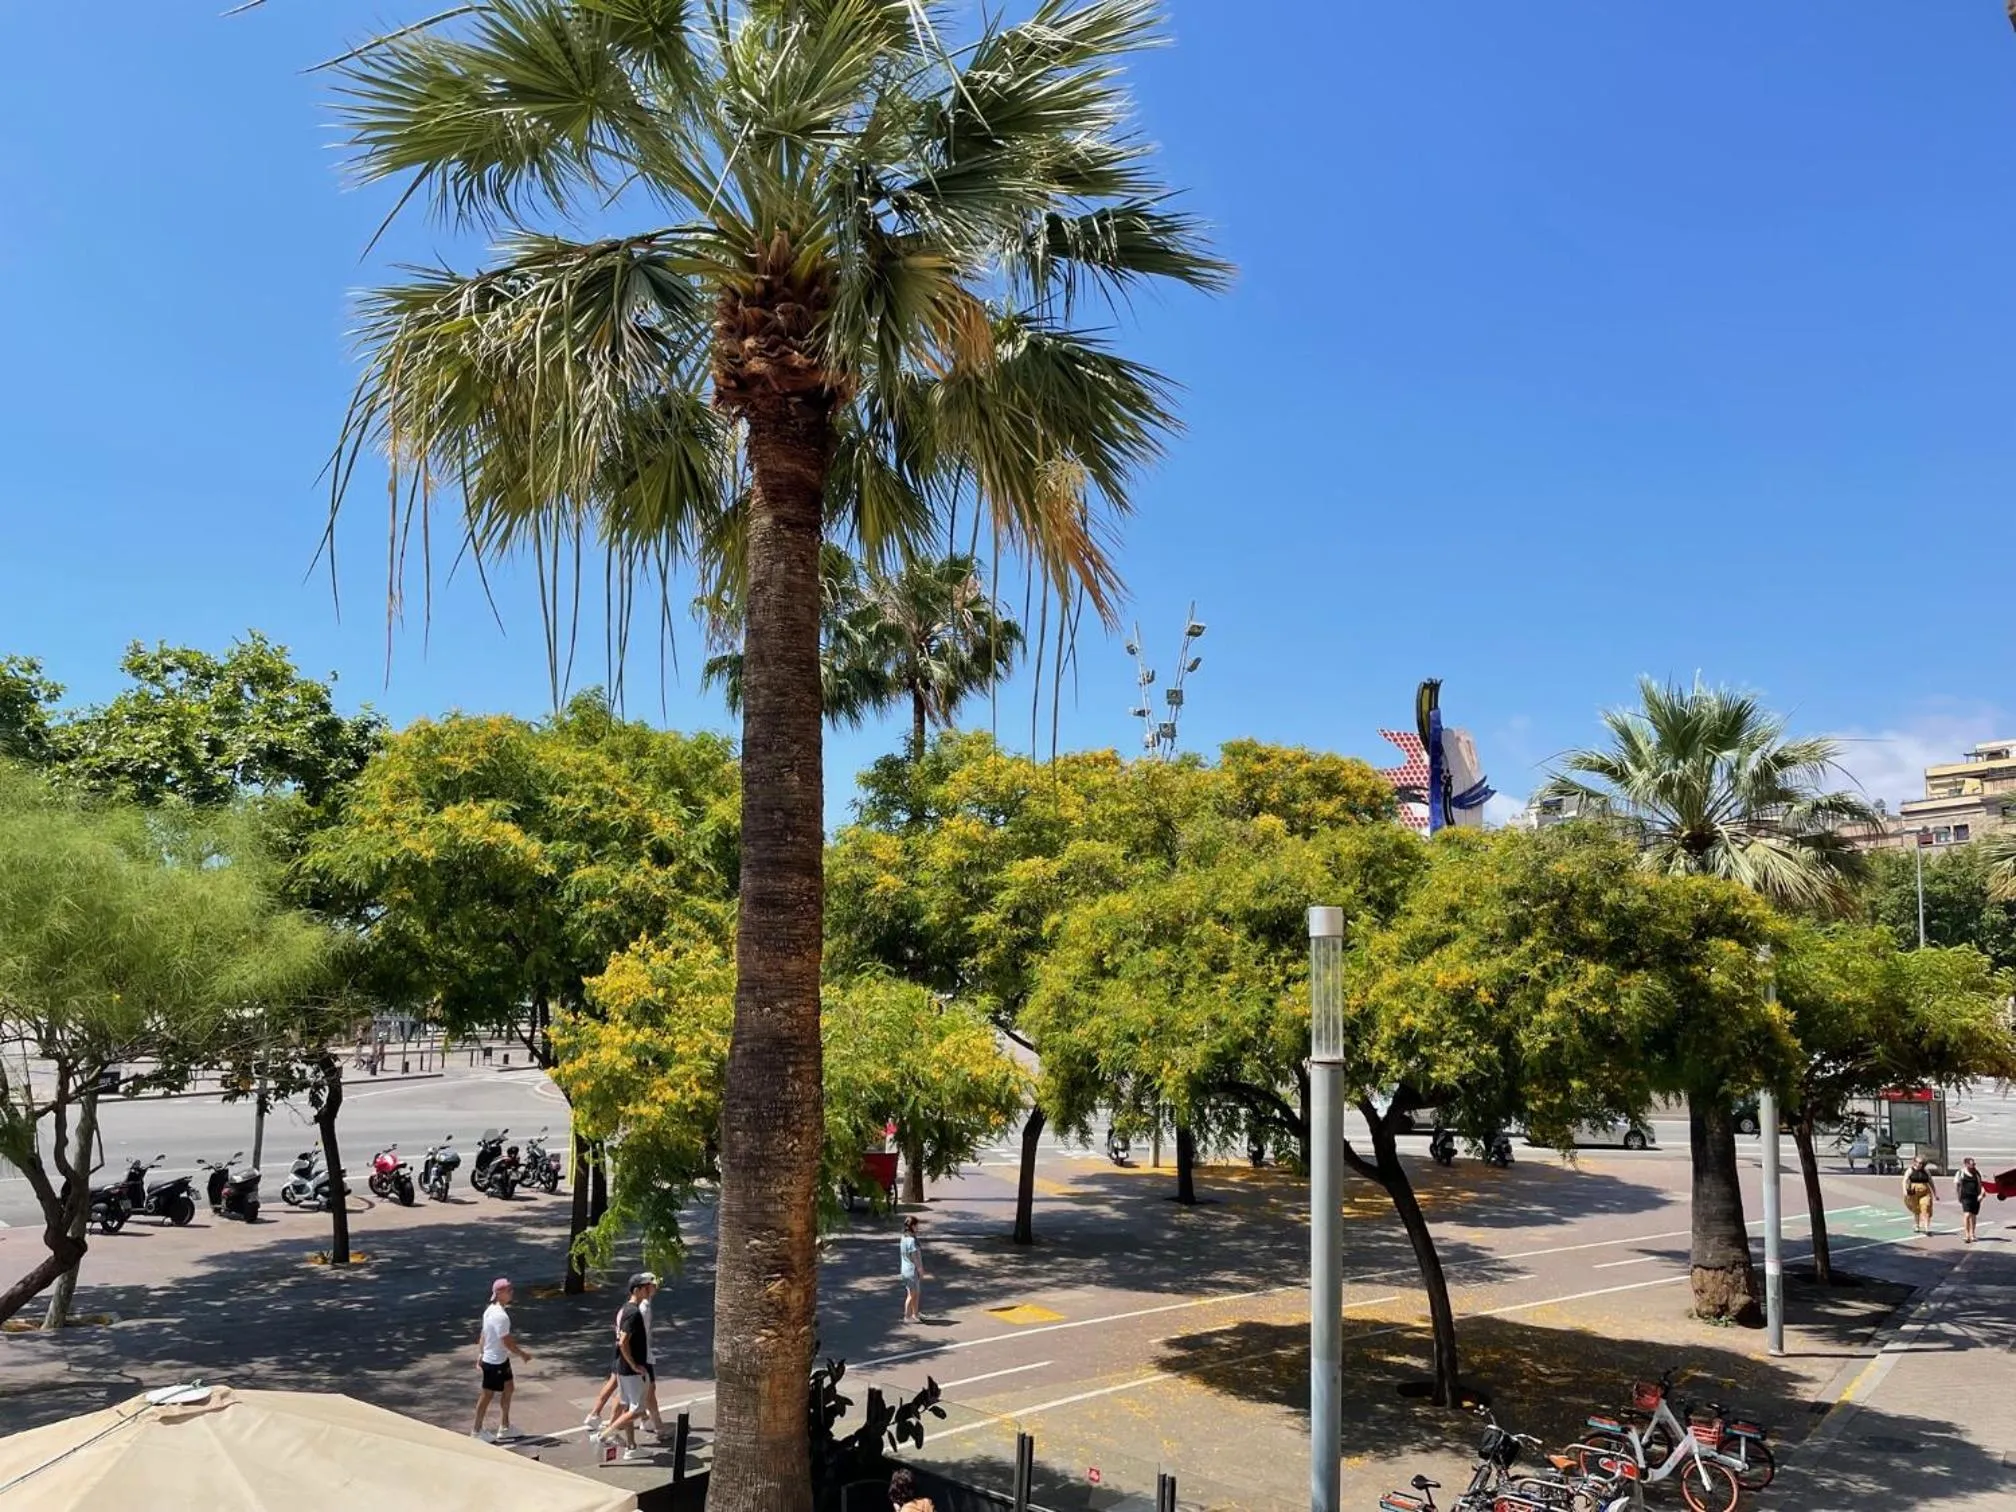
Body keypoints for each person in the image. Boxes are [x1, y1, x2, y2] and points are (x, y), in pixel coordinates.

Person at [596, 1273, 655, 1461]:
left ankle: (631, 1447)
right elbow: (623, 1342)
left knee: (629, 1406)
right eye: (646, 1287)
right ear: (636, 1290)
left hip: (622, 1368)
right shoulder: (633, 1313)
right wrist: (635, 1365)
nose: (650, 1290)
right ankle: (606, 1435)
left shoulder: (626, 1309)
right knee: (637, 1410)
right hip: (630, 1369)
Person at [474, 1277, 531, 1441]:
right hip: (494, 1362)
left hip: (499, 1360)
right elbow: (506, 1341)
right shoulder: (500, 1316)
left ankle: (505, 1427)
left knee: (509, 1388)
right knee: (487, 1396)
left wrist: (480, 1354)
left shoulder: (489, 1310)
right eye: (509, 1290)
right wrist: (523, 1354)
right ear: (499, 1293)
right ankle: (476, 1431)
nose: (512, 1293)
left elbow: (483, 1334)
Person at [1903, 1155, 1937, 1236]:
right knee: (1916, 1209)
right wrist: (1905, 1191)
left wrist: (1935, 1193)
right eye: (1917, 1162)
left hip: (1925, 1191)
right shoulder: (1910, 1170)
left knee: (1926, 1207)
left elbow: (1931, 1182)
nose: (1919, 1164)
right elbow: (1904, 1180)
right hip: (1914, 1191)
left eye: (1921, 1163)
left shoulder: (1926, 1171)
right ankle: (1917, 1225)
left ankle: (1927, 1228)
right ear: (1914, 1162)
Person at [899, 1216, 925, 1322]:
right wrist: (920, 1269)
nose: (918, 1228)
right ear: (912, 1226)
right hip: (911, 1270)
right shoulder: (911, 1241)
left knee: (916, 1292)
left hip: (905, 1270)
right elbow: (915, 1257)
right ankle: (907, 1316)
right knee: (912, 1294)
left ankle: (915, 1314)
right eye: (917, 1225)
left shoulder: (904, 1238)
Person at [1957, 1157, 1985, 1244]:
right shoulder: (1961, 1173)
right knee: (1967, 1214)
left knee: (1973, 1215)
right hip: (1965, 1197)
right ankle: (1967, 1235)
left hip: (1975, 1197)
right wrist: (1959, 1196)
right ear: (1966, 1164)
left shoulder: (1977, 1173)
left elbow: (1983, 1185)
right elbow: (1958, 1185)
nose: (1973, 1166)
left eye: (1974, 1164)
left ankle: (1972, 1234)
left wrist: (1981, 1195)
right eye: (1971, 1164)